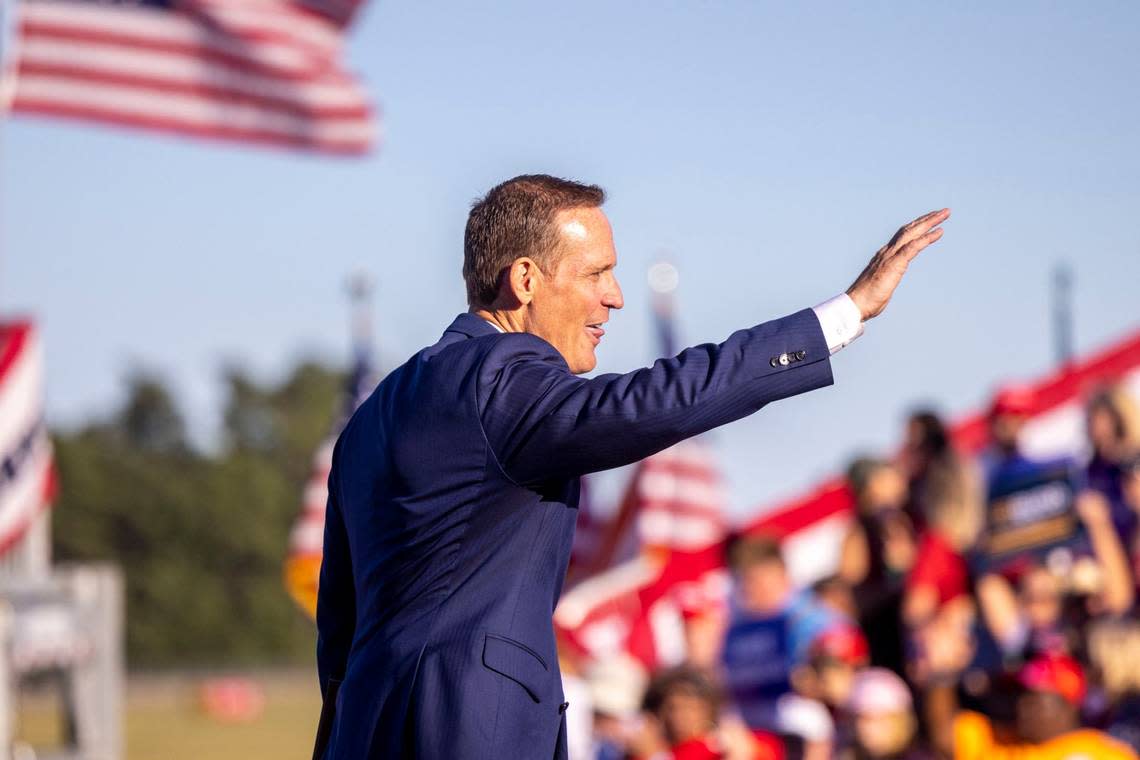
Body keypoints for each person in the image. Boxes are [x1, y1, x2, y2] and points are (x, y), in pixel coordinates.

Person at [313, 174, 950, 759]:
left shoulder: (373, 418)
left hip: (364, 728)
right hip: (474, 724)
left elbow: (338, 629)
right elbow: (656, 400)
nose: (614, 297)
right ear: (526, 279)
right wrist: (845, 315)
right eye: (596, 273)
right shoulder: (502, 374)